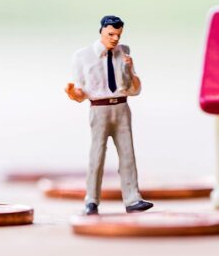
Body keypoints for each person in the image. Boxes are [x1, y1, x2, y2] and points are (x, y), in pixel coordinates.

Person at [65, 15, 153, 215]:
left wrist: (129, 71)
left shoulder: (124, 52)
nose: (115, 39)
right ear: (101, 31)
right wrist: (74, 93)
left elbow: (132, 89)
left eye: (118, 35)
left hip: (122, 108)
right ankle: (91, 200)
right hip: (99, 109)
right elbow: (80, 90)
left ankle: (132, 199)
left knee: (128, 155)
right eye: (111, 34)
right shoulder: (82, 56)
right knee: (97, 156)